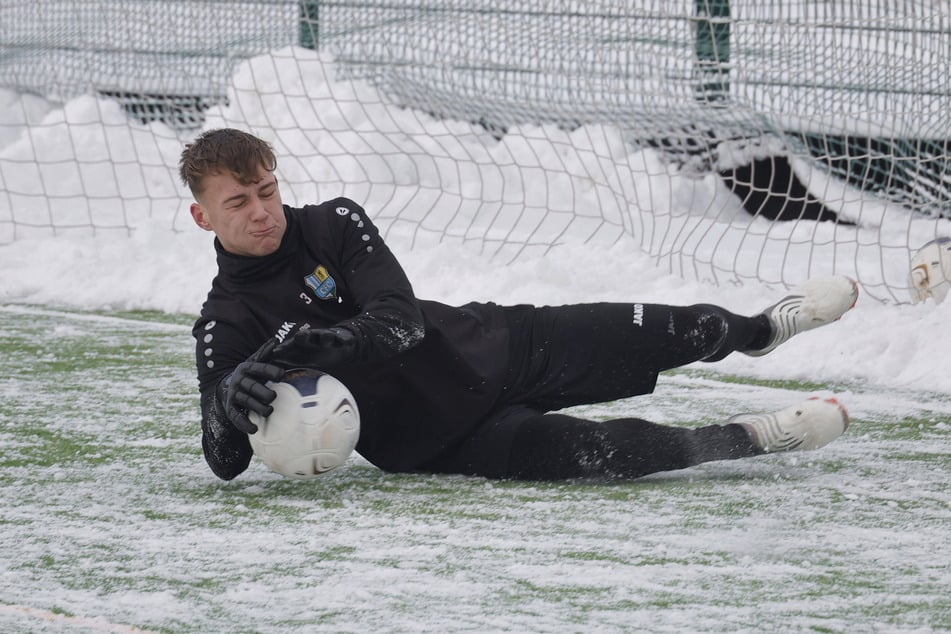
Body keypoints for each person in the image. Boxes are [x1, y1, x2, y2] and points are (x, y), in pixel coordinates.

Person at [180, 128, 858, 482]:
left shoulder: (333, 223)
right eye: (239, 203)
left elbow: (399, 319)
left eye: (266, 190)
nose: (262, 211)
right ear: (203, 216)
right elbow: (224, 460)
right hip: (445, 441)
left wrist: (337, 343)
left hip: (499, 344)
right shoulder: (225, 324)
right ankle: (756, 437)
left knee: (670, 326)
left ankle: (762, 329)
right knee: (607, 456)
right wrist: (225, 407)